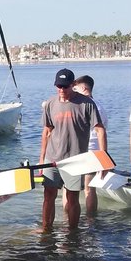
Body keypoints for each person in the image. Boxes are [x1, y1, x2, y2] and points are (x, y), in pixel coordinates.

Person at [39, 68, 106, 230]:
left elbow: (100, 130)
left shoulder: (86, 103)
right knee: (48, 195)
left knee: (72, 197)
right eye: (59, 86)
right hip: (52, 158)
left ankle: (72, 233)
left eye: (65, 86)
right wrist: (41, 159)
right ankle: (46, 230)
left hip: (75, 160)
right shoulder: (50, 104)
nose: (62, 90)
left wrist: (104, 159)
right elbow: (47, 131)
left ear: (73, 84)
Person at [72, 74, 108, 216]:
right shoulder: (99, 106)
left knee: (81, 189)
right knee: (89, 188)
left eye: (75, 89)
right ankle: (90, 220)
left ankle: (85, 219)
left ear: (84, 89)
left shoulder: (87, 106)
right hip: (92, 152)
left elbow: (101, 132)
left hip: (88, 152)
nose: (73, 92)